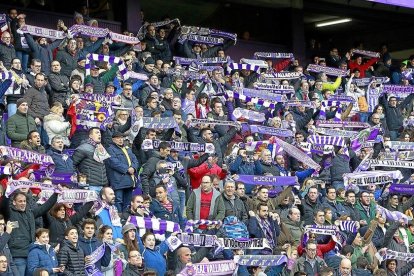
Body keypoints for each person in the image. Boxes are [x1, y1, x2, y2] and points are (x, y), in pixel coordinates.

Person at [9, 190, 58, 275]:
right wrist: (7, 195)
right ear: (14, 202)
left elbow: (45, 207)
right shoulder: (9, 213)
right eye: (20, 201)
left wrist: (56, 194)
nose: (23, 203)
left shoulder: (30, 213)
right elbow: (3, 205)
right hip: (18, 255)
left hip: (31, 254)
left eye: (24, 201)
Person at [105, 131, 139, 212]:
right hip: (118, 181)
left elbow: (135, 160)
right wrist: (127, 169)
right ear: (113, 139)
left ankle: (126, 219)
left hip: (129, 180)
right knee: (118, 201)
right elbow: (113, 162)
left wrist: (134, 168)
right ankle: (119, 218)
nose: (120, 140)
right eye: (118, 138)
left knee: (128, 203)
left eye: (121, 138)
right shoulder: (110, 149)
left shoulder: (127, 149)